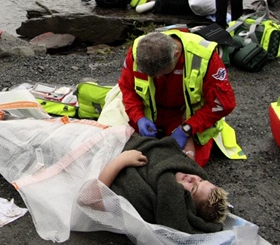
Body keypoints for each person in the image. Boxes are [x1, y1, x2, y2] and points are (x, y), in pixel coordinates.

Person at [117, 30, 236, 167]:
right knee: (121, 153)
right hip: (148, 111)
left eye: (160, 74)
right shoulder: (139, 51)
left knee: (189, 166)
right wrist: (138, 117)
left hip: (186, 114)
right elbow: (127, 88)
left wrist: (188, 128)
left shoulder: (204, 57)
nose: (157, 78)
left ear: (176, 54)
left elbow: (224, 104)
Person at [97, 135, 229, 231]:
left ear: (183, 204)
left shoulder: (145, 203)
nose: (193, 178)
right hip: (107, 136)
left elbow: (91, 200)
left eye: (194, 189)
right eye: (201, 180)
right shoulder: (181, 166)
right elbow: (189, 155)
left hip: (90, 156)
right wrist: (186, 130)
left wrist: (121, 161)